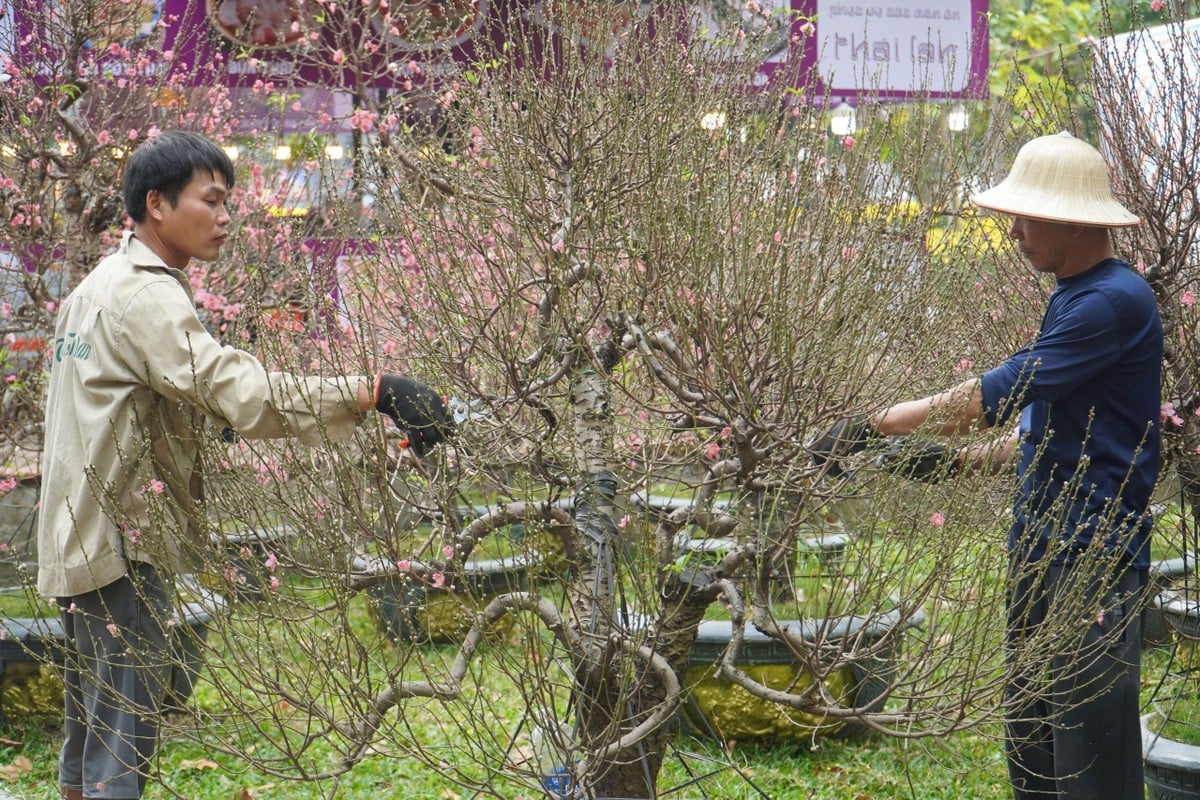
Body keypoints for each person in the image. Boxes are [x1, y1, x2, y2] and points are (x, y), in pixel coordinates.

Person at [36, 131, 453, 800]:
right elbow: (239, 389)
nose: (227, 217)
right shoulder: (144, 295)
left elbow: (133, 400)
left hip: (80, 531)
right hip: (120, 541)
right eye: (213, 200)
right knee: (123, 739)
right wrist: (375, 391)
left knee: (91, 727)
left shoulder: (97, 286)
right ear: (158, 204)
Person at [811, 131, 1159, 800]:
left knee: (1089, 768)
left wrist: (869, 424)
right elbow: (1045, 434)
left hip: (1087, 559)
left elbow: (988, 397)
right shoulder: (1074, 296)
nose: (1016, 233)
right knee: (1033, 752)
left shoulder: (1109, 303)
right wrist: (945, 464)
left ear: (1074, 219)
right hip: (1042, 548)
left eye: (1027, 218)